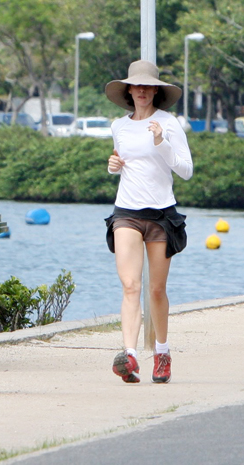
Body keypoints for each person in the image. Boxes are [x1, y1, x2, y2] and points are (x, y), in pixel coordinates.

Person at [103, 60, 193, 384]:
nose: (141, 91)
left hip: (160, 214)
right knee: (130, 285)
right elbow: (122, 162)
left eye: (147, 86)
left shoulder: (168, 124)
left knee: (156, 290)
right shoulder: (119, 126)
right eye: (136, 86)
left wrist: (161, 143)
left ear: (156, 90)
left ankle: (163, 353)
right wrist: (114, 165)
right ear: (128, 90)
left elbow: (186, 170)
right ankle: (129, 355)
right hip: (126, 211)